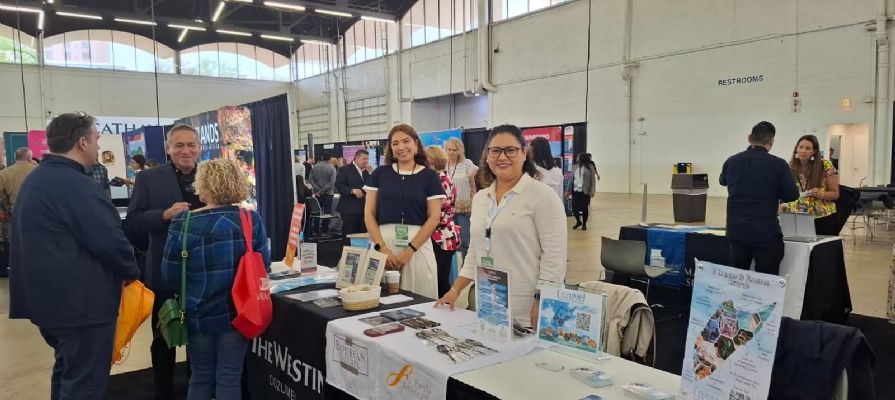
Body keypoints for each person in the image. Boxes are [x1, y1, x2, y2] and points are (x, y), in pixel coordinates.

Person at [9, 112, 140, 399]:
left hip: (51, 303)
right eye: (96, 139)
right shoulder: (75, 185)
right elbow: (109, 241)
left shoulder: (38, 179)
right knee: (85, 384)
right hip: (81, 306)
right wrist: (132, 271)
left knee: (68, 372)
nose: (98, 146)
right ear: (82, 142)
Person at [435, 124, 567, 327]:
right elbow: (475, 252)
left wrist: (543, 300)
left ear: (524, 153)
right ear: (487, 156)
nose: (502, 157)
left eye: (510, 150)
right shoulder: (480, 198)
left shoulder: (542, 196)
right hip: (490, 307)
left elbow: (555, 256)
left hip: (528, 310)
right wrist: (455, 291)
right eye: (495, 150)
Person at [162, 159, 270, 400]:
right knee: (230, 377)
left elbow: (169, 274)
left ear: (203, 184)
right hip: (239, 313)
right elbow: (264, 264)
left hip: (197, 314)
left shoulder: (183, 222)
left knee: (200, 376)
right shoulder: (250, 220)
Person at [125, 124, 204, 400]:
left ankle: (197, 388)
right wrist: (163, 215)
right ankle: (164, 391)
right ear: (168, 149)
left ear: (199, 148)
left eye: (191, 145)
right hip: (164, 272)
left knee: (200, 338)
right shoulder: (148, 179)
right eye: (179, 145)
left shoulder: (210, 175)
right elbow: (132, 223)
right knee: (163, 338)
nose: (186, 150)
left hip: (203, 272)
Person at [364, 124, 445, 298]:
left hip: (417, 246)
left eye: (406, 141)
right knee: (379, 300)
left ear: (416, 144)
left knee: (419, 299)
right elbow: (369, 214)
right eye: (395, 143)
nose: (401, 147)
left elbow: (434, 218)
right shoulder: (380, 174)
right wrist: (381, 248)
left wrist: (409, 251)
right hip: (382, 243)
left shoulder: (429, 177)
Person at [720, 121, 799, 275]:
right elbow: (792, 195)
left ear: (749, 137)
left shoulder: (731, 161)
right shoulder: (778, 164)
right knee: (766, 280)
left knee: (737, 278)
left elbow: (723, 181)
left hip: (736, 231)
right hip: (765, 233)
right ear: (771, 142)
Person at [781, 135, 841, 235]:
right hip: (798, 214)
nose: (803, 151)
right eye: (801, 147)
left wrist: (820, 194)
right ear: (796, 149)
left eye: (808, 148)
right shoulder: (790, 166)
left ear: (814, 151)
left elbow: (835, 194)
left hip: (822, 216)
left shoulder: (826, 165)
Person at [425, 145, 462, 297]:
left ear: (431, 162)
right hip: (443, 235)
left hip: (441, 236)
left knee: (440, 280)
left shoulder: (440, 182)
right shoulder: (442, 179)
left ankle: (445, 306)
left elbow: (435, 212)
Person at [0, 147, 37, 278]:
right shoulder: (37, 171)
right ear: (29, 157)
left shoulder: (4, 173)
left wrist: (8, 206)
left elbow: (1, 195)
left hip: (14, 211)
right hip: (36, 212)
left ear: (15, 158)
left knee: (15, 241)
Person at [444, 137, 477, 257]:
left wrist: (474, 206)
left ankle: (466, 267)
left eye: (454, 150)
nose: (451, 152)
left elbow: (473, 188)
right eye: (449, 149)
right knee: (449, 241)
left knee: (466, 242)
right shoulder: (443, 165)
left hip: (464, 209)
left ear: (460, 151)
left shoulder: (467, 163)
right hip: (447, 210)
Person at [336, 149, 371, 240]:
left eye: (367, 159)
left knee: (363, 234)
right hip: (350, 209)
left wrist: (371, 173)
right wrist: (351, 190)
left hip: (364, 209)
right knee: (349, 234)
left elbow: (371, 186)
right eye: (364, 159)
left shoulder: (366, 171)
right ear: (357, 158)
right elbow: (339, 185)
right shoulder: (345, 169)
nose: (366, 161)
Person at [568, 153, 598, 230]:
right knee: (574, 208)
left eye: (578, 156)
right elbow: (571, 179)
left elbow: (593, 180)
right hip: (575, 190)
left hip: (585, 191)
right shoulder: (574, 167)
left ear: (582, 158)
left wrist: (593, 190)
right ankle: (578, 221)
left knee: (584, 208)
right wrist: (568, 190)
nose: (577, 157)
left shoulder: (590, 167)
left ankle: (584, 224)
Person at [309, 151, 337, 234]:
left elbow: (311, 180)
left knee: (317, 212)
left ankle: (316, 230)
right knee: (327, 213)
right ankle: (324, 231)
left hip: (317, 194)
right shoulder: (332, 168)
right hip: (328, 194)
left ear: (322, 157)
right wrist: (322, 190)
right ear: (330, 159)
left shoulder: (314, 167)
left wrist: (318, 190)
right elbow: (332, 183)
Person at [529, 137, 564, 201]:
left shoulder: (533, 171)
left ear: (534, 151)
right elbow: (560, 195)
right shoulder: (558, 171)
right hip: (555, 205)